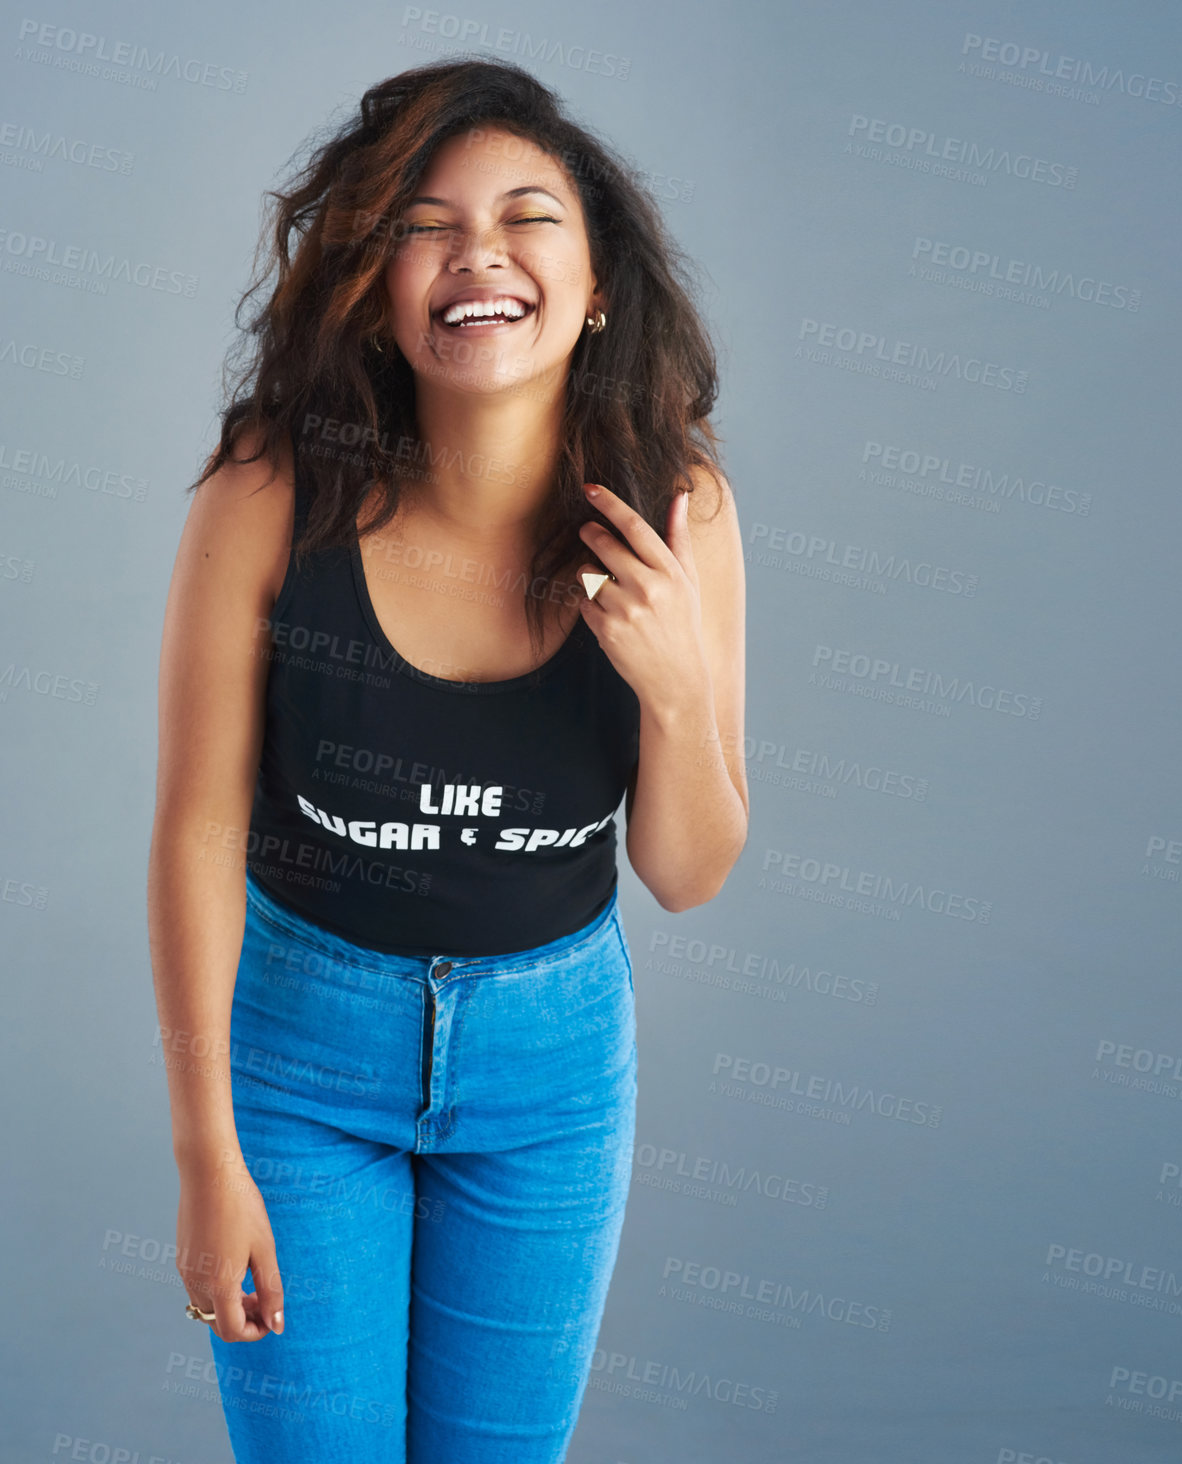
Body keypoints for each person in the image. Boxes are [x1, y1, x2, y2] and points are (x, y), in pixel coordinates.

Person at [146, 56, 748, 1463]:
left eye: (528, 216)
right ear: (376, 281)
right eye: (425, 224)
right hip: (299, 1062)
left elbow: (689, 873)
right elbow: (191, 833)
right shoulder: (269, 491)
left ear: (595, 281)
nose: (478, 255)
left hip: (551, 1076)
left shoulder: (679, 508)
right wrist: (204, 1153)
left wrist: (671, 688)